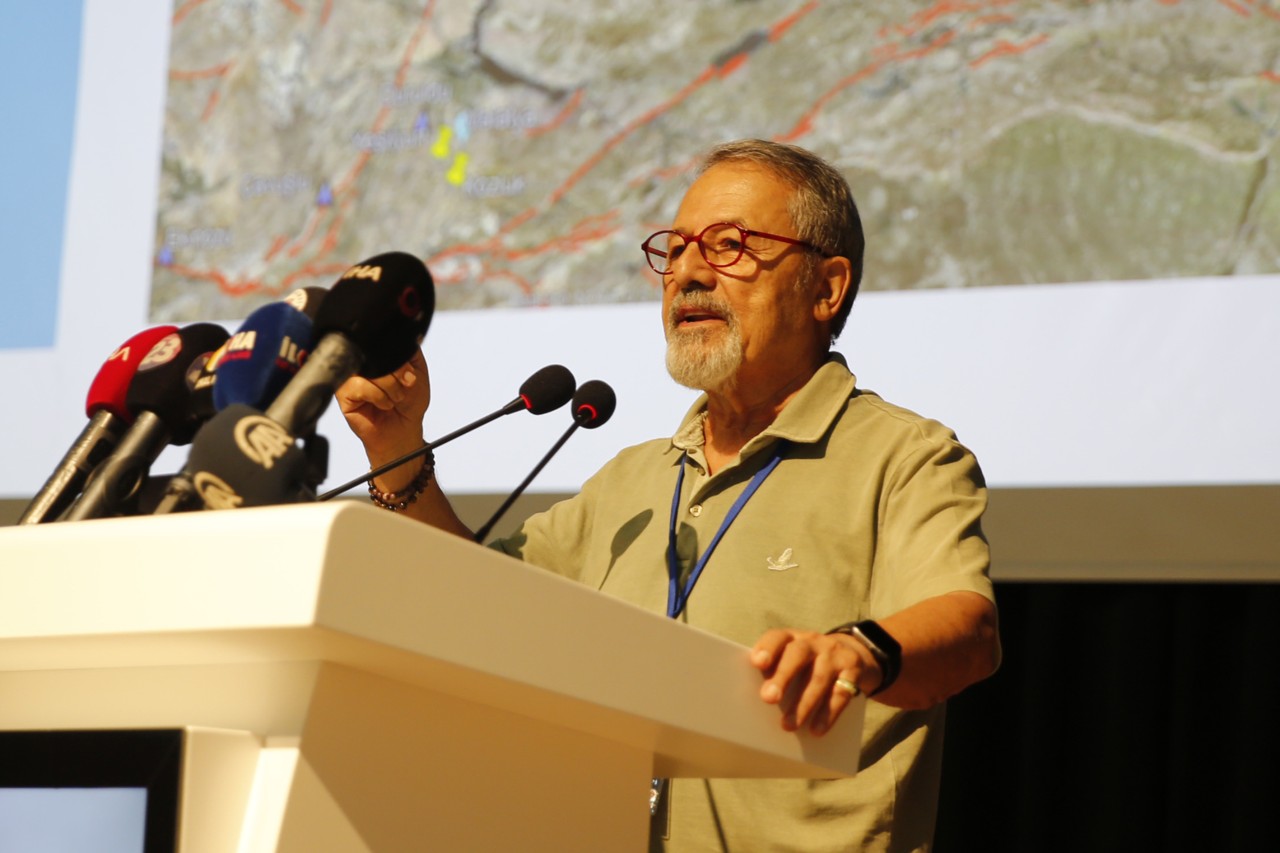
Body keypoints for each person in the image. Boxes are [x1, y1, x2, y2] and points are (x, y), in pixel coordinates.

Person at [337, 139, 1000, 852]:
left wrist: (861, 649)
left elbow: (969, 630)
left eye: (728, 245)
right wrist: (395, 443)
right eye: (675, 249)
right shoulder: (632, 478)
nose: (686, 272)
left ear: (827, 287)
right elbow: (476, 598)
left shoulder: (903, 456)